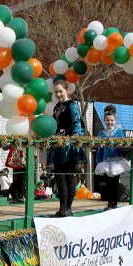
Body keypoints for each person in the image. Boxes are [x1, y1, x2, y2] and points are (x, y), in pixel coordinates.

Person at [47, 80, 86, 217]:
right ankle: (63, 208)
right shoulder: (56, 107)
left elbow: (76, 122)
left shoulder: (72, 105)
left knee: (69, 177)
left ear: (67, 91)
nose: (58, 94)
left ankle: (67, 208)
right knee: (59, 177)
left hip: (69, 145)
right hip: (57, 145)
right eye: (56, 92)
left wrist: (75, 138)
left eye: (60, 91)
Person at [95, 105, 130, 210]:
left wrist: (123, 153)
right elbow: (100, 148)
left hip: (116, 161)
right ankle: (110, 203)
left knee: (115, 183)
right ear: (104, 120)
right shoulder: (102, 133)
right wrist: (99, 160)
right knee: (108, 183)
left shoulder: (119, 132)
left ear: (115, 120)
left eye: (111, 120)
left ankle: (114, 203)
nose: (109, 122)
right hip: (106, 161)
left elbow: (123, 146)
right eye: (107, 120)